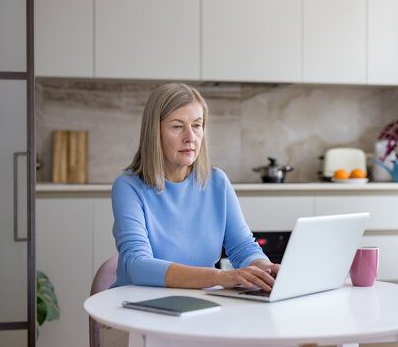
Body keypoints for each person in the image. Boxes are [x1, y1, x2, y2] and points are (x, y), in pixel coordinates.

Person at [111, 82, 279, 292]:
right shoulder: (128, 187)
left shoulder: (217, 181)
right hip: (140, 304)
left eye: (197, 125)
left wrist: (265, 270)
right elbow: (137, 265)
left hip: (200, 303)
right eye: (177, 126)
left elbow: (243, 247)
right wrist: (221, 276)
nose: (190, 137)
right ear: (155, 132)